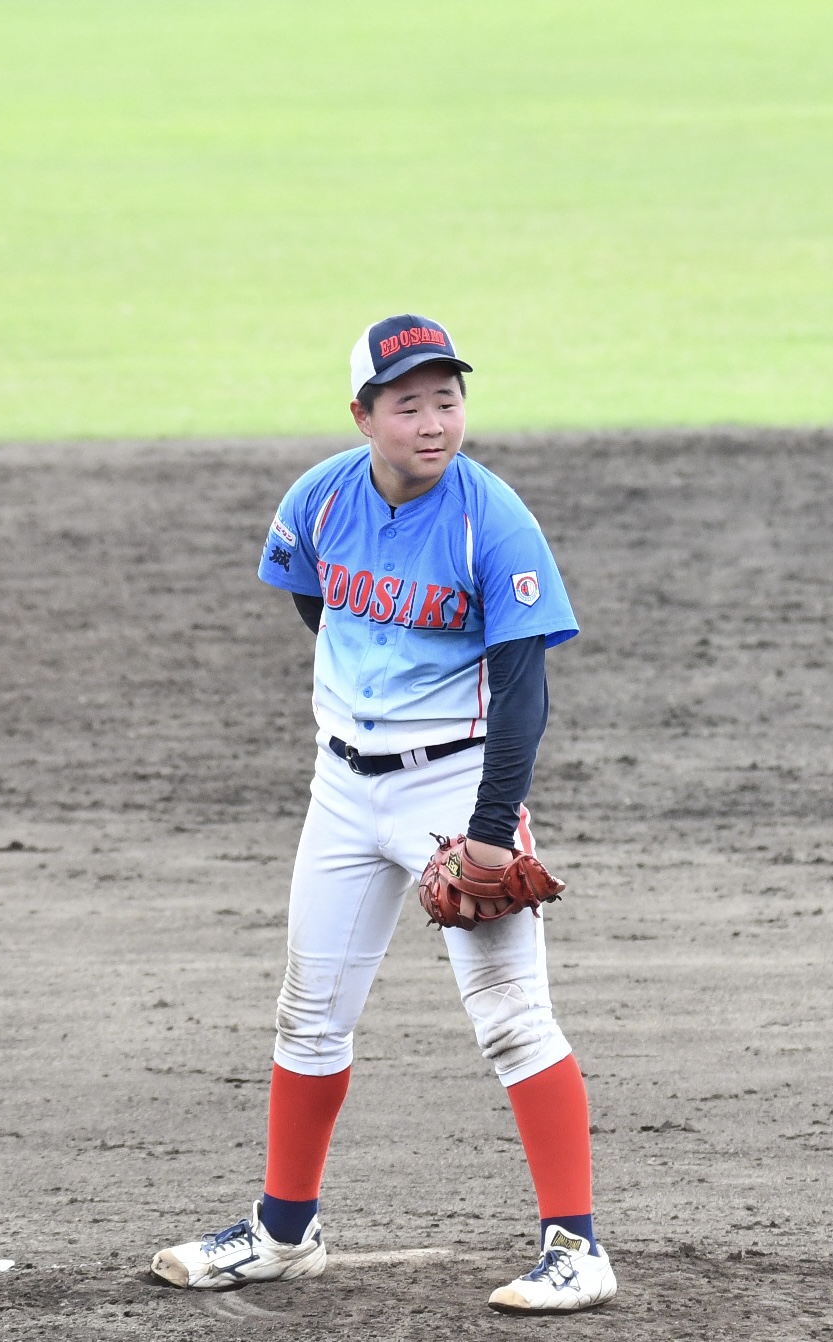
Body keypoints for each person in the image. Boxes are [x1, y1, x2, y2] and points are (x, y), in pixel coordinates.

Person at [150, 316, 616, 1313]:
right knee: (309, 1013)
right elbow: (316, 605)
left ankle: (577, 1248)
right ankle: (285, 1231)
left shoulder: (493, 520)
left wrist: (488, 829)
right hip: (343, 788)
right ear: (364, 416)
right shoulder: (319, 499)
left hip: (458, 787)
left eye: (448, 399)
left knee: (512, 1018)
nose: (434, 421)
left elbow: (522, 690)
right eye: (409, 405)